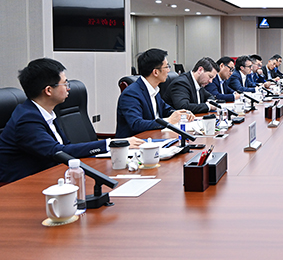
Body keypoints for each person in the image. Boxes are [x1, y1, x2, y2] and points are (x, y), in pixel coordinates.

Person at [0, 58, 143, 183]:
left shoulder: (46, 113)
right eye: (65, 83)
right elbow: (57, 152)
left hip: (51, 176)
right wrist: (111, 144)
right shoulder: (27, 120)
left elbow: (65, 146)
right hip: (21, 187)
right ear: (48, 90)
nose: (68, 88)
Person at [116, 48, 194, 138]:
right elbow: (136, 124)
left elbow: (166, 110)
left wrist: (181, 114)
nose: (169, 70)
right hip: (136, 143)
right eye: (167, 67)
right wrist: (168, 121)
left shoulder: (154, 89)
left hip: (155, 138)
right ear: (156, 72)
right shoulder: (131, 94)